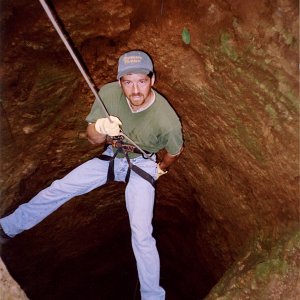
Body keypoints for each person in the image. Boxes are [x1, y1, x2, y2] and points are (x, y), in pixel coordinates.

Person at [0, 50, 183, 299]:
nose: (135, 89)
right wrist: (100, 127)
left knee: (141, 231)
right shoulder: (108, 94)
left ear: (153, 79)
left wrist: (161, 168)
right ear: (120, 83)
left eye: (141, 81)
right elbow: (92, 139)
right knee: (60, 187)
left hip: (143, 164)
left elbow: (174, 151)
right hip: (111, 157)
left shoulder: (167, 119)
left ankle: (153, 296)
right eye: (128, 82)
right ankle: (6, 228)